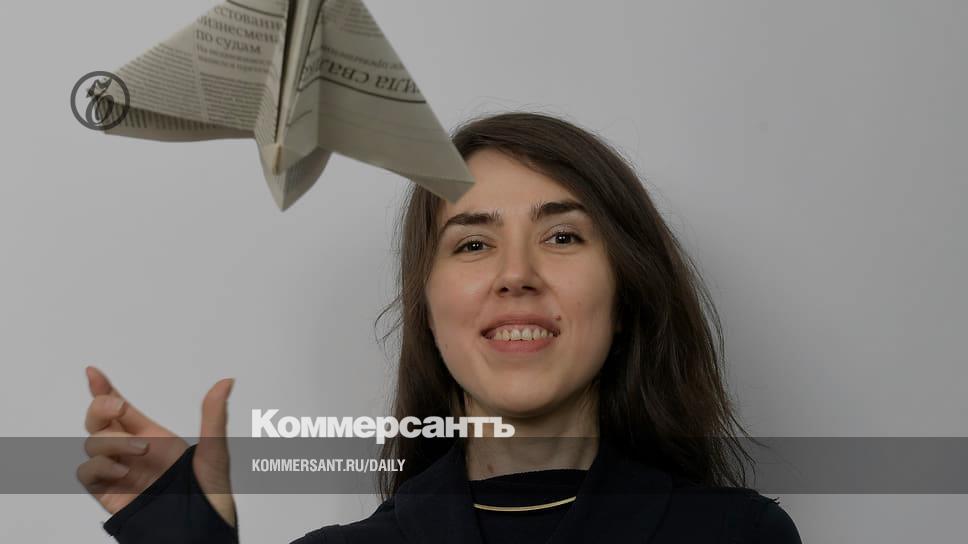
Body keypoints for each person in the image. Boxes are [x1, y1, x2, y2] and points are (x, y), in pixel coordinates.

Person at [77, 112, 803, 543]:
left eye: (562, 237)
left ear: (626, 297)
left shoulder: (740, 537)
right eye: (473, 243)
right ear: (429, 308)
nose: (515, 274)